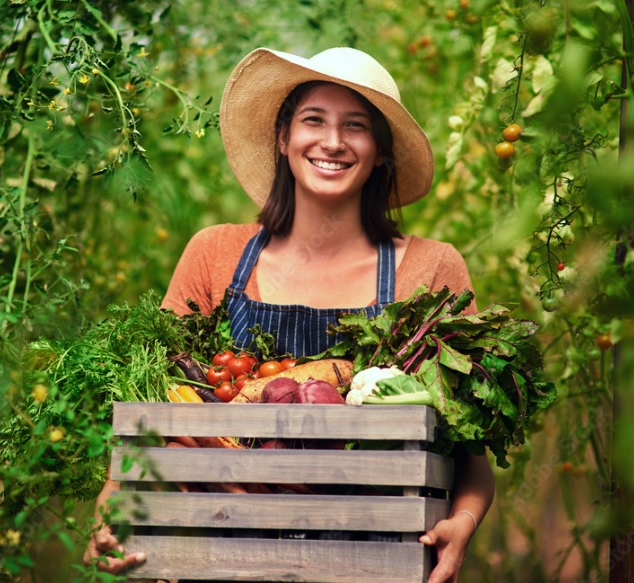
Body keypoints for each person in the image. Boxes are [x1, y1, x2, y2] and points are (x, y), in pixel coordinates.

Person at [84, 46, 495, 583]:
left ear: (380, 152)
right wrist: (110, 512)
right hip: (222, 558)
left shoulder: (432, 269)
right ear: (283, 137)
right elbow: (150, 420)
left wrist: (462, 522)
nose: (332, 141)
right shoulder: (215, 255)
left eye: (356, 126)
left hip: (374, 561)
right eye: (313, 120)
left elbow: (471, 452)